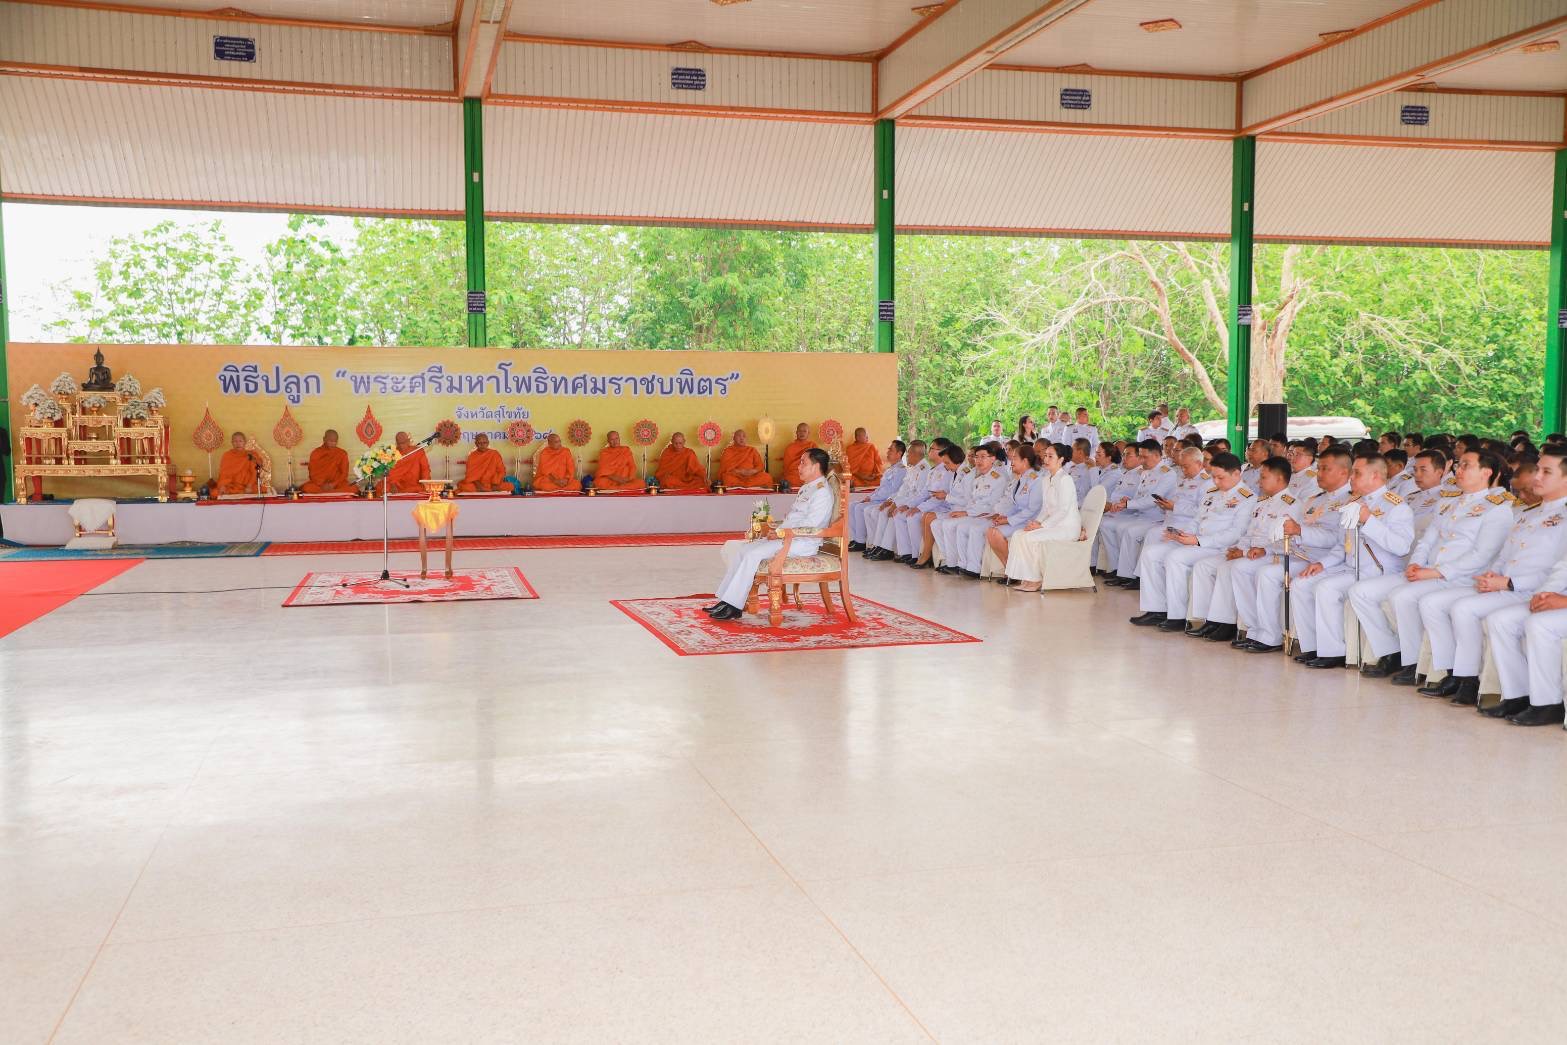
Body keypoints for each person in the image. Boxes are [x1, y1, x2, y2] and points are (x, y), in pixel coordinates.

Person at [1414, 446, 1567, 706]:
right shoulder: (1531, 513)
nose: (1536, 477)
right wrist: (1493, 575)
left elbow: (1558, 567)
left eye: (1546, 471)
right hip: (1514, 588)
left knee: (1499, 619)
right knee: (1465, 608)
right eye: (1537, 470)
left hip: (1537, 591)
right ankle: (1483, 684)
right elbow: (1505, 554)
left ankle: (1534, 700)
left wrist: (1511, 583)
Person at [1349, 449, 1514, 682]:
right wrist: (1416, 564)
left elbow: (1481, 555)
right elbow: (1428, 540)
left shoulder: (1498, 509)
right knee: (1361, 591)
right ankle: (1395, 653)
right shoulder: (1447, 503)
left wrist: (1436, 572)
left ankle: (1421, 663)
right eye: (1460, 464)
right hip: (1428, 571)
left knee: (1403, 596)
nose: (1459, 469)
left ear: (1486, 472)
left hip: (1459, 578)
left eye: (1467, 465)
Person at [1293, 455, 1414, 669]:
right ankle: (1313, 646)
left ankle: (1337, 651)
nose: (1352, 477)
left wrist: (1370, 521)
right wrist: (1323, 564)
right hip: (1349, 566)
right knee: (1301, 583)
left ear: (1375, 476)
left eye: (1357, 473)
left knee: (1326, 588)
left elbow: (1401, 547)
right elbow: (1342, 545)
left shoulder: (1395, 506)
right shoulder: (1354, 503)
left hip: (1379, 571)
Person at [1235, 445, 1356, 654]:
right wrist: (1270, 549)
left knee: (1271, 574)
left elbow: (1335, 539)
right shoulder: (1316, 499)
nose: (1319, 474)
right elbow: (1292, 532)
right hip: (1301, 554)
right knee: (1253, 570)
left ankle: (1311, 646)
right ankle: (1270, 635)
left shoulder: (1350, 502)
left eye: (1325, 469)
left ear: (1344, 472)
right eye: (1319, 469)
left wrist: (1298, 531)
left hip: (1327, 560)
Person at [1130, 453, 1256, 632]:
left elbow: (1236, 533)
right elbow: (1197, 519)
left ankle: (1178, 616)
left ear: (1237, 474)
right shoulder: (1212, 492)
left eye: (1221, 477)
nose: (1216, 482)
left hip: (1219, 547)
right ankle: (1157, 609)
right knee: (1151, 553)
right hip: (1197, 542)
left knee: (1176, 557)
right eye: (1213, 477)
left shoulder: (1247, 498)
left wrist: (1197, 540)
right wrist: (1182, 534)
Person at [706, 448, 835, 620]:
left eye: (803, 462)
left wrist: (782, 533)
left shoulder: (822, 492)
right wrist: (777, 530)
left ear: (816, 466)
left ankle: (734, 607)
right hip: (789, 536)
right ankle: (726, 601)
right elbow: (794, 517)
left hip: (802, 542)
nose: (799, 466)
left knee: (753, 554)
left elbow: (811, 525)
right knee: (744, 549)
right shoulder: (807, 488)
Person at [1186, 456, 1295, 643]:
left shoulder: (1291, 504)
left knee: (1235, 568)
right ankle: (1222, 622)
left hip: (1272, 554)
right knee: (1214, 565)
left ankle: (1255, 631)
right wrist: (1238, 548)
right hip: (1251, 551)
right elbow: (1249, 533)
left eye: (1263, 477)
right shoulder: (1262, 503)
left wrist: (1243, 553)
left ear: (1278, 479)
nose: (1258, 481)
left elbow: (1285, 541)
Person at [1107, 446, 1207, 589]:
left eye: (1186, 467)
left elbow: (1201, 511)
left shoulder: (1206, 483)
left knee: (1150, 535)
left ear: (1199, 464)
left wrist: (1173, 507)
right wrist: (1166, 505)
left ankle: (1140, 578)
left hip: (1186, 525)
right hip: (1170, 520)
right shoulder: (1183, 479)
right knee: (1144, 535)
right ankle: (1135, 576)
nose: (1183, 470)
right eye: (1182, 467)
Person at [1005, 441, 1083, 591]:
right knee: (1018, 534)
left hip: (1067, 527)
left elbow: (1063, 510)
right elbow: (1046, 509)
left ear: (1060, 460)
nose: (1046, 459)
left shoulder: (1065, 479)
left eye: (1050, 456)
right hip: (1052, 525)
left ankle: (1035, 580)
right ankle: (1026, 578)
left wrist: (1041, 526)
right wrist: (1035, 522)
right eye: (1045, 456)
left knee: (1029, 538)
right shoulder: (1046, 478)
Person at [1099, 441, 1176, 583]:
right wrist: (1127, 500)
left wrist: (1127, 504)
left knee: (1129, 531)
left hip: (1156, 518)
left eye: (1144, 457)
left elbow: (1151, 500)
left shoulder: (1167, 474)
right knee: (1110, 526)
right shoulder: (1146, 472)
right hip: (1140, 515)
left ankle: (1131, 576)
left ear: (1156, 455)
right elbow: (1140, 496)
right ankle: (1120, 570)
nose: (1141, 460)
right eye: (1140, 456)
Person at [963, 443, 1042, 577]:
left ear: (1025, 461)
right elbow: (1014, 505)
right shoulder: (1020, 478)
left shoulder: (1035, 480)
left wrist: (1008, 520)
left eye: (1015, 458)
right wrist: (1002, 516)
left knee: (994, 533)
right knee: (991, 531)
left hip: (1029, 521)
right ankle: (1011, 570)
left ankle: (1015, 572)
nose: (1011, 461)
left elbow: (1032, 510)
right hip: (1017, 519)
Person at [933, 442, 1009, 576]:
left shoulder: (999, 479)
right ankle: (960, 564)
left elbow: (991, 505)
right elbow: (972, 501)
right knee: (951, 524)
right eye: (977, 457)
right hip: (975, 513)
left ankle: (973, 567)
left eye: (983, 457)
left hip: (989, 515)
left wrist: (966, 512)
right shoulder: (978, 479)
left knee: (967, 528)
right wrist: (966, 512)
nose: (978, 460)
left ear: (992, 459)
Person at [865, 440, 931, 559]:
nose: (906, 456)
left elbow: (919, 495)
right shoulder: (913, 468)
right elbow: (902, 489)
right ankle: (881, 546)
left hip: (915, 504)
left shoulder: (924, 470)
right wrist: (892, 501)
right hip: (906, 502)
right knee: (887, 511)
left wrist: (900, 504)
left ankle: (888, 549)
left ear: (916, 454)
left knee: (894, 513)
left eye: (908, 453)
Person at [910, 443, 967, 568]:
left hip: (960, 510)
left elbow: (967, 500)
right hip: (953, 508)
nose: (946, 466)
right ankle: (941, 558)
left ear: (955, 459)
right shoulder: (955, 472)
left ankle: (931, 556)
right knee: (927, 517)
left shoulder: (966, 474)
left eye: (947, 463)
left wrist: (945, 496)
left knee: (930, 519)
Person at [847, 439, 907, 551]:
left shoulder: (901, 471)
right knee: (852, 505)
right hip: (878, 498)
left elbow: (891, 491)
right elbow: (880, 488)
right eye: (888, 449)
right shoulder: (890, 470)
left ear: (899, 454)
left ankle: (863, 541)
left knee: (861, 508)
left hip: (885, 500)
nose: (887, 452)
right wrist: (869, 496)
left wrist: (872, 498)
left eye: (891, 450)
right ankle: (856, 539)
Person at [377, 431, 431, 495]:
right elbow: (388, 472)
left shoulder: (418, 451)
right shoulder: (392, 454)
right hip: (396, 485)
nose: (401, 446)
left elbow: (425, 469)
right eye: (399, 443)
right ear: (396, 443)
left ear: (408, 441)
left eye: (403, 443)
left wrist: (425, 483)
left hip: (413, 485)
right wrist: (392, 484)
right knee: (381, 487)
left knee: (422, 488)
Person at [300, 429, 353, 494]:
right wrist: (321, 485)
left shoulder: (342, 454)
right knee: (307, 488)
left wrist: (333, 485)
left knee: (353, 488)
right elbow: (312, 474)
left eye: (335, 441)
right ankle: (333, 493)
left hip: (336, 485)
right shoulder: (316, 453)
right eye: (330, 441)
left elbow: (344, 474)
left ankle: (326, 493)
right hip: (319, 486)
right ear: (324, 439)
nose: (333, 443)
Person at [214, 432, 259, 496]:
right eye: (235, 441)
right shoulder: (227, 455)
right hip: (231, 485)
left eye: (240, 441)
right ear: (232, 443)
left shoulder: (250, 455)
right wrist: (222, 485)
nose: (238, 444)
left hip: (247, 486)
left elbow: (254, 472)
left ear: (244, 442)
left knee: (259, 489)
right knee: (215, 492)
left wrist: (249, 486)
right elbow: (223, 474)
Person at [781, 423, 817, 489]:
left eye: (804, 431)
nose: (802, 433)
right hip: (794, 475)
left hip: (808, 472)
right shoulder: (790, 447)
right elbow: (786, 467)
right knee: (789, 478)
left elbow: (816, 463)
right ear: (796, 432)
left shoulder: (812, 446)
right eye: (800, 431)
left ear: (808, 433)